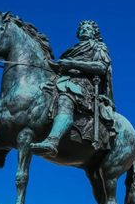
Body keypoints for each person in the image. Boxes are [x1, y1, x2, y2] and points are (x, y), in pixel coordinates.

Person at [31, 20, 114, 157]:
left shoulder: (97, 47)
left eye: (88, 28)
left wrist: (71, 63)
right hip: (62, 80)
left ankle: (52, 141)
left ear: (94, 32)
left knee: (65, 98)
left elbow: (101, 67)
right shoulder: (72, 49)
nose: (84, 30)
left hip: (83, 84)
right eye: (82, 28)